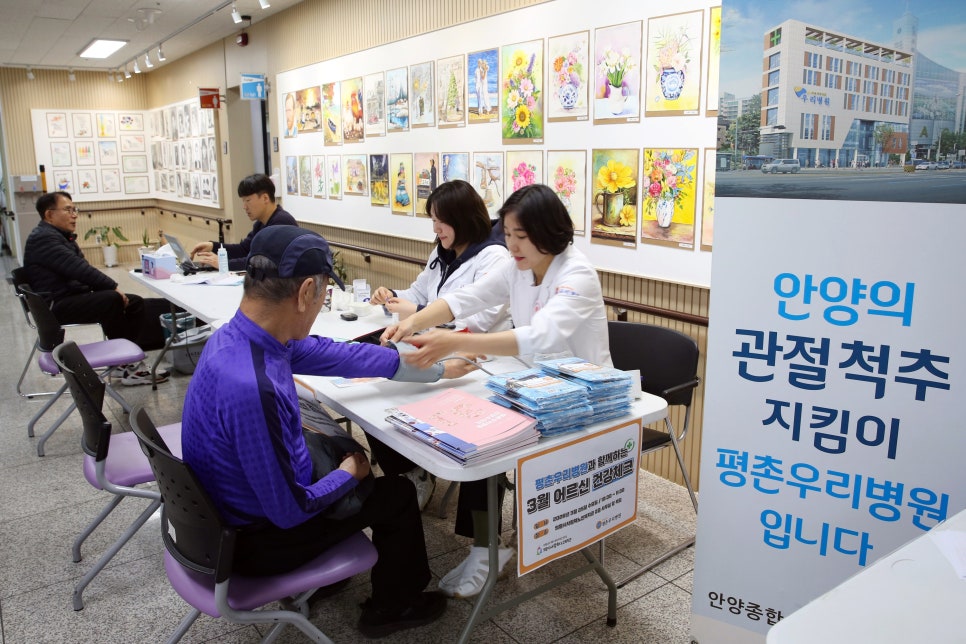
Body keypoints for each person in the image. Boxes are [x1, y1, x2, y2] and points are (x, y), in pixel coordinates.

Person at [181, 226, 479, 638]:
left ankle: (333, 576)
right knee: (395, 494)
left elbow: (334, 353)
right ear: (307, 291)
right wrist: (349, 473)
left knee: (329, 442)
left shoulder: (237, 338)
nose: (322, 302)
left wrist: (436, 368)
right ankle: (394, 606)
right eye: (324, 292)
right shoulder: (255, 386)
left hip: (218, 522)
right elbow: (291, 510)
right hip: (257, 544)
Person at [380, 183, 611, 599]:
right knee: (472, 433)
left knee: (485, 447)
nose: (512, 245)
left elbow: (540, 336)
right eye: (507, 234)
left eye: (521, 236)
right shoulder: (518, 266)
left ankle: (486, 549)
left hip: (582, 399)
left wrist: (454, 342)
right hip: (533, 385)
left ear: (550, 231)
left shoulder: (576, 274)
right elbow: (465, 299)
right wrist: (412, 323)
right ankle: (487, 545)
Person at [369, 180, 511, 510]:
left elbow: (476, 320)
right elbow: (419, 293)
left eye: (441, 221)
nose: (436, 229)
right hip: (435, 350)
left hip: (480, 364)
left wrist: (417, 313)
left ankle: (480, 534)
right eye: (432, 220)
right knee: (377, 406)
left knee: (479, 439)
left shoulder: (494, 258)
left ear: (463, 218)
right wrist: (392, 296)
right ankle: (412, 471)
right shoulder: (442, 253)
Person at [22, 191, 169, 385]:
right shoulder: (44, 238)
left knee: (133, 302)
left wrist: (105, 289)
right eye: (68, 210)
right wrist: (113, 287)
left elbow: (81, 270)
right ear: (49, 214)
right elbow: (79, 269)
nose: (74, 215)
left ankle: (123, 363)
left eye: (75, 210)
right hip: (55, 307)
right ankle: (128, 366)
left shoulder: (58, 236)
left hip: (64, 298)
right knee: (112, 300)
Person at [190, 174, 296, 271]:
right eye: (243, 201)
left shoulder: (281, 222)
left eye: (248, 201)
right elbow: (244, 250)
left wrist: (225, 264)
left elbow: (263, 261)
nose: (244, 207)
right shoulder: (261, 223)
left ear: (265, 198)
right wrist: (213, 246)